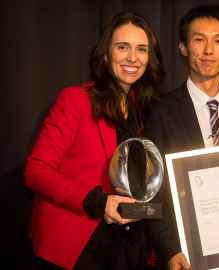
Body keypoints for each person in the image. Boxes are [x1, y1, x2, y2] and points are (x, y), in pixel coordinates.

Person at [24, 11, 181, 269]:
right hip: (80, 246)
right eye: (123, 47)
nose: (133, 57)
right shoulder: (75, 100)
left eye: (141, 49)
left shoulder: (143, 110)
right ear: (106, 54)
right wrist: (97, 202)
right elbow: (36, 171)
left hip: (128, 248)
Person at [145, 4, 219, 270]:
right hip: (187, 254)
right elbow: (150, 194)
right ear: (183, 47)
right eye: (199, 40)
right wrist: (169, 249)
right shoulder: (160, 112)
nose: (209, 51)